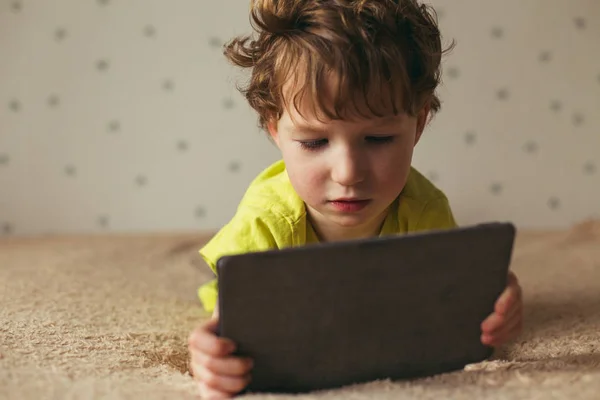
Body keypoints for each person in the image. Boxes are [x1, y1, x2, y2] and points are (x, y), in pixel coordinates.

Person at [188, 0, 523, 397]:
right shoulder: (264, 222)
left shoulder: (424, 208)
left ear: (417, 126)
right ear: (275, 130)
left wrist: (497, 293)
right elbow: (228, 327)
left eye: (378, 139)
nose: (348, 173)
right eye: (314, 142)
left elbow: (449, 297)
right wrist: (209, 354)